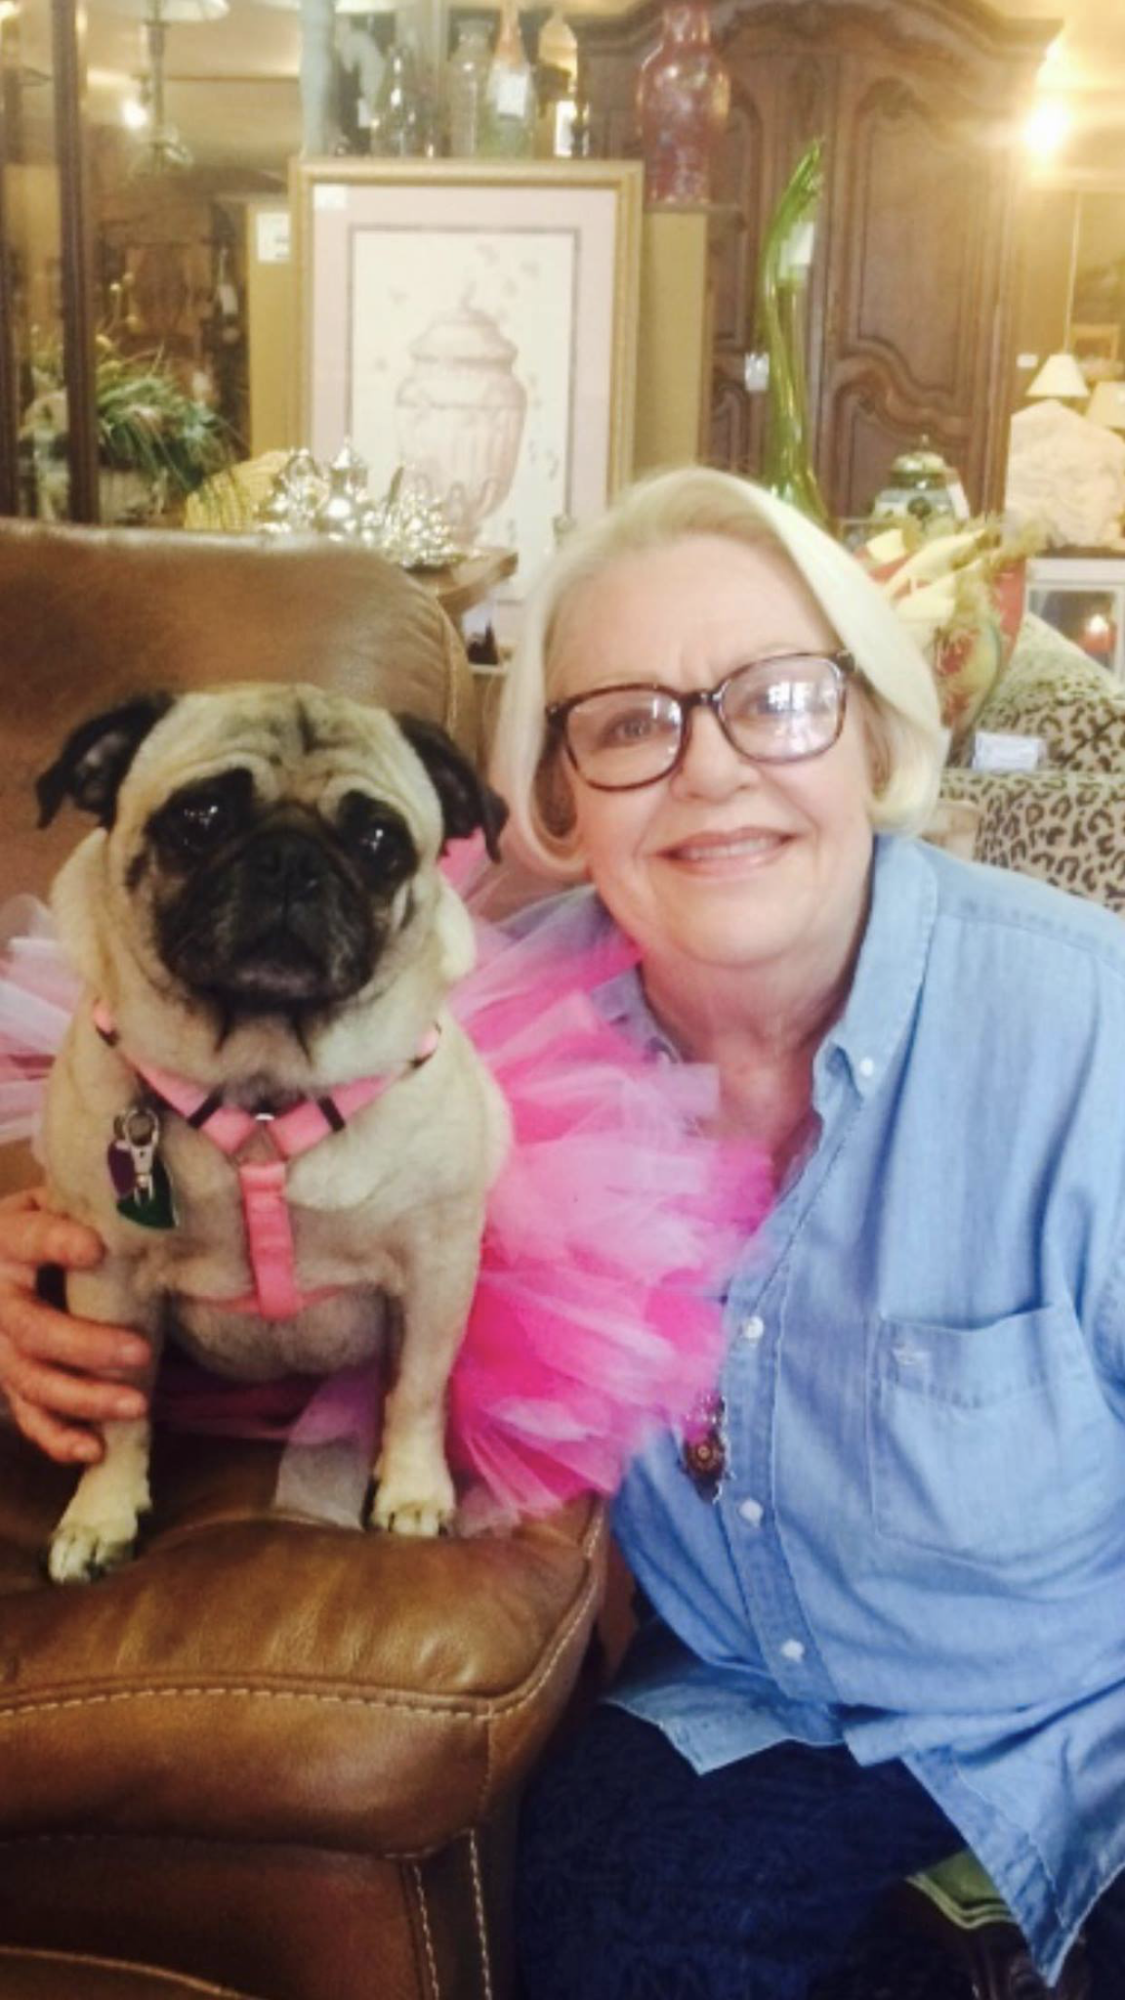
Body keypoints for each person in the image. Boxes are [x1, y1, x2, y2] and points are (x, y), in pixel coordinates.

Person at [2, 466, 1125, 1997]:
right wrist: (33, 1266)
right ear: (553, 794)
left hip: (1077, 1725)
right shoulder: (456, 1032)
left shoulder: (1089, 1033)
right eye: (630, 722)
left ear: (873, 733)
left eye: (781, 700)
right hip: (735, 1713)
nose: (711, 769)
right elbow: (164, 1151)